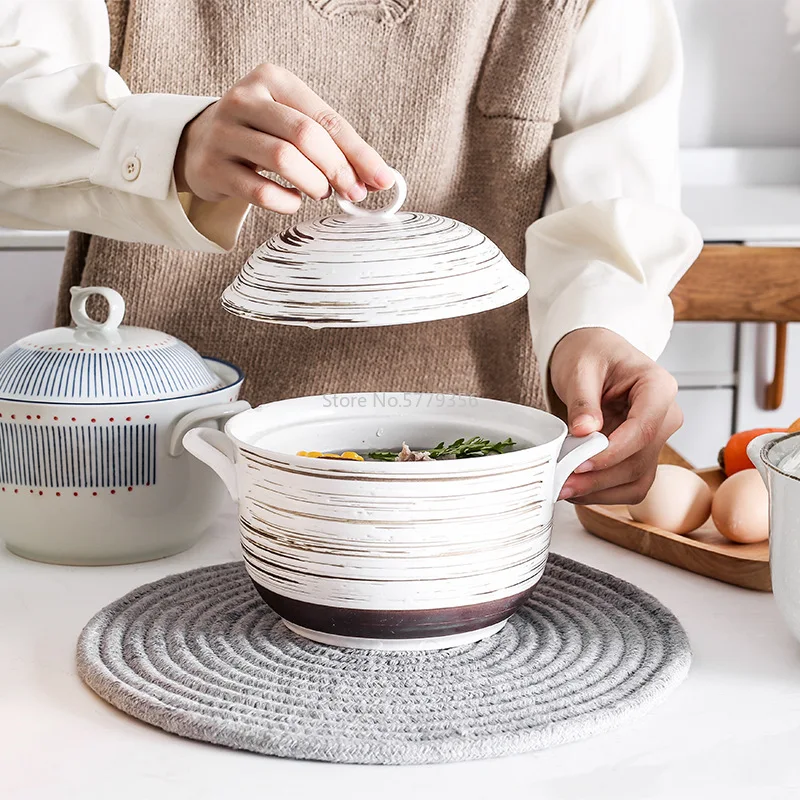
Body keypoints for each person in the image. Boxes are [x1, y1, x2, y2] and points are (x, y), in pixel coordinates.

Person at [0, 0, 701, 505]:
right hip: (150, 485)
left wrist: (600, 330)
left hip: (465, 500)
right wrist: (169, 143)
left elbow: (610, 204)